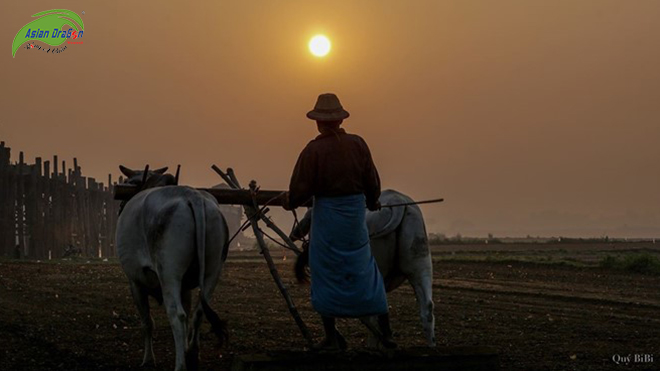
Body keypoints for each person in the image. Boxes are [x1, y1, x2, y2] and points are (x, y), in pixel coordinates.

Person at [285, 93, 395, 350]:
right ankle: (386, 331)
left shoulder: (313, 150)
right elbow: (372, 183)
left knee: (324, 271)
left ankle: (331, 336)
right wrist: (371, 201)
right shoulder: (358, 144)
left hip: (328, 221)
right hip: (354, 221)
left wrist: (288, 202)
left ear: (318, 122)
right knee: (365, 269)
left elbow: (298, 190)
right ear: (340, 120)